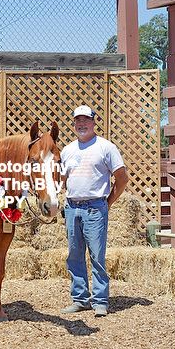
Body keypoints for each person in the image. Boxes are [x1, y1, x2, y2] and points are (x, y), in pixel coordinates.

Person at [60, 105, 128, 317]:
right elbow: (63, 180)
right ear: (74, 124)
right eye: (78, 120)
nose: (82, 124)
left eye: (86, 120)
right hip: (72, 208)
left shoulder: (106, 148)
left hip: (95, 208)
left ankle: (100, 301)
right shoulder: (67, 150)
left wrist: (108, 203)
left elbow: (122, 179)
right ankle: (80, 299)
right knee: (74, 256)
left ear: (93, 122)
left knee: (97, 256)